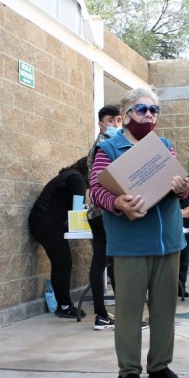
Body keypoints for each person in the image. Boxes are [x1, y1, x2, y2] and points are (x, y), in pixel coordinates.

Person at [89, 87, 189, 378]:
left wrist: (182, 188)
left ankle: (159, 364)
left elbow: (184, 189)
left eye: (154, 110)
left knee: (165, 309)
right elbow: (96, 189)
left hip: (167, 241)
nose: (149, 115)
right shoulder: (109, 148)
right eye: (143, 109)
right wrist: (118, 203)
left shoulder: (164, 146)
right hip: (130, 243)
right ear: (126, 114)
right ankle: (128, 371)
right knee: (130, 311)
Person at [28, 157, 90, 320]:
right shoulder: (77, 180)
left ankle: (64, 304)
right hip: (47, 223)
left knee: (62, 263)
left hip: (43, 221)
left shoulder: (71, 175)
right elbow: (77, 211)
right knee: (63, 263)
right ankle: (64, 306)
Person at [85, 105, 122, 330]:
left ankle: (101, 315)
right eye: (111, 120)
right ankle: (124, 315)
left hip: (96, 211)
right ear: (101, 124)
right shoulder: (106, 145)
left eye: (119, 120)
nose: (116, 125)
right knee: (114, 262)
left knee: (101, 261)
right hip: (106, 211)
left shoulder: (99, 145)